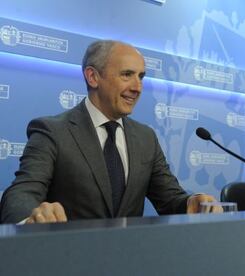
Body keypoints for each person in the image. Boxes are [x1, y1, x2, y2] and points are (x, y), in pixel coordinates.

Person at [0, 40, 217, 224]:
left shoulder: (145, 138)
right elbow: (22, 193)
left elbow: (169, 199)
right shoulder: (53, 131)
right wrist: (31, 217)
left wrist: (192, 202)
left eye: (141, 76)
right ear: (93, 77)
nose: (137, 87)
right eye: (127, 75)